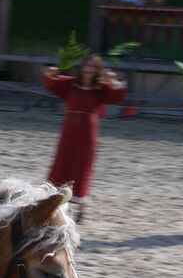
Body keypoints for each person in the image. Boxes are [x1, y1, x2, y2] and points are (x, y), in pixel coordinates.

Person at [42, 56, 127, 223]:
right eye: (87, 65)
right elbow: (51, 84)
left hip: (87, 132)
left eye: (93, 66)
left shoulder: (100, 89)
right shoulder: (70, 83)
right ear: (82, 67)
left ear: (97, 70)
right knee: (62, 162)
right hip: (69, 130)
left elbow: (118, 96)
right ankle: (53, 203)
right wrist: (50, 74)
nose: (89, 68)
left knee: (82, 166)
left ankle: (81, 208)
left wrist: (113, 80)